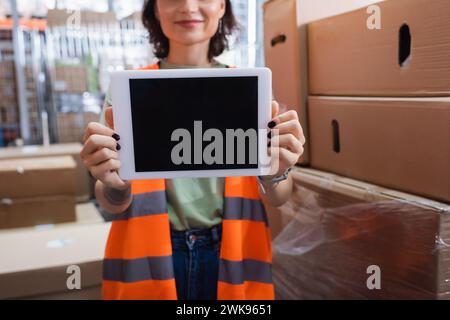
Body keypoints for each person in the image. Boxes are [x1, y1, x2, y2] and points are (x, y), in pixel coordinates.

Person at [80, 0, 306, 300]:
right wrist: (114, 184)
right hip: (152, 256)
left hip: (231, 251)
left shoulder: (250, 88)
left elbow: (279, 197)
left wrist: (276, 172)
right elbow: (111, 200)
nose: (188, 6)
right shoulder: (128, 90)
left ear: (223, 7)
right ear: (155, 9)